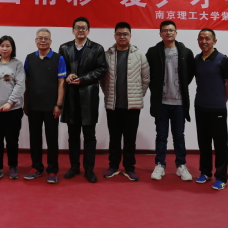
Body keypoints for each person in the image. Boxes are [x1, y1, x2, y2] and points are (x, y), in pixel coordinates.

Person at [58, 16, 107, 183]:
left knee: (89, 135)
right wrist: (67, 75)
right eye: (77, 27)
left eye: (83, 28)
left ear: (88, 31)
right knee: (73, 135)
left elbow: (101, 69)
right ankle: (74, 166)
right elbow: (60, 69)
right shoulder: (64, 48)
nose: (80, 30)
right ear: (73, 30)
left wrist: (83, 79)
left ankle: (89, 169)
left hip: (89, 96)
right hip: (71, 96)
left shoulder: (97, 48)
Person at [146, 20, 195, 182]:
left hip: (179, 103)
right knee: (161, 135)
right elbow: (147, 74)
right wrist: (155, 88)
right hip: (161, 102)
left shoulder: (186, 52)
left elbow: (190, 73)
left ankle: (181, 165)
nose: (168, 33)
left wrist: (182, 84)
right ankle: (160, 164)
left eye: (171, 30)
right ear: (160, 33)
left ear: (176, 33)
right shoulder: (153, 52)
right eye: (165, 30)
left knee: (179, 136)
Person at [100, 22, 149, 181]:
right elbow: (102, 80)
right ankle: (113, 166)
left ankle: (129, 167)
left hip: (132, 106)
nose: (122, 37)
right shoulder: (107, 55)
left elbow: (145, 79)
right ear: (115, 36)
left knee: (130, 139)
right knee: (114, 138)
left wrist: (138, 95)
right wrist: (109, 94)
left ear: (130, 36)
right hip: (113, 106)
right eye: (119, 34)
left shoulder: (139, 55)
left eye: (125, 34)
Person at [23, 28, 66, 184]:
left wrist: (59, 104)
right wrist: (25, 102)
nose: (43, 41)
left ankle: (53, 170)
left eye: (46, 38)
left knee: (52, 139)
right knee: (35, 138)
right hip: (33, 105)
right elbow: (26, 82)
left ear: (50, 41)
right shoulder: (29, 58)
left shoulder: (58, 58)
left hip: (51, 106)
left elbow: (61, 83)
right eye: (40, 38)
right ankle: (36, 167)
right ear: (36, 41)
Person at [193, 28, 228, 191]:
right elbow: (199, 79)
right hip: (200, 106)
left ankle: (221, 177)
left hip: (217, 108)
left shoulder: (223, 60)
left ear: (214, 41)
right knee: (203, 142)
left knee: (220, 144)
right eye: (201, 38)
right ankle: (205, 172)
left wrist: (222, 99)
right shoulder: (197, 59)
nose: (204, 41)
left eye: (207, 38)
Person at [0, 36, 26, 182]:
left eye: (7, 46)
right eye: (2, 46)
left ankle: (13, 167)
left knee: (12, 141)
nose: (5, 48)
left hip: (13, 110)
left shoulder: (17, 65)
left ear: (12, 48)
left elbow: (20, 85)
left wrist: (10, 103)